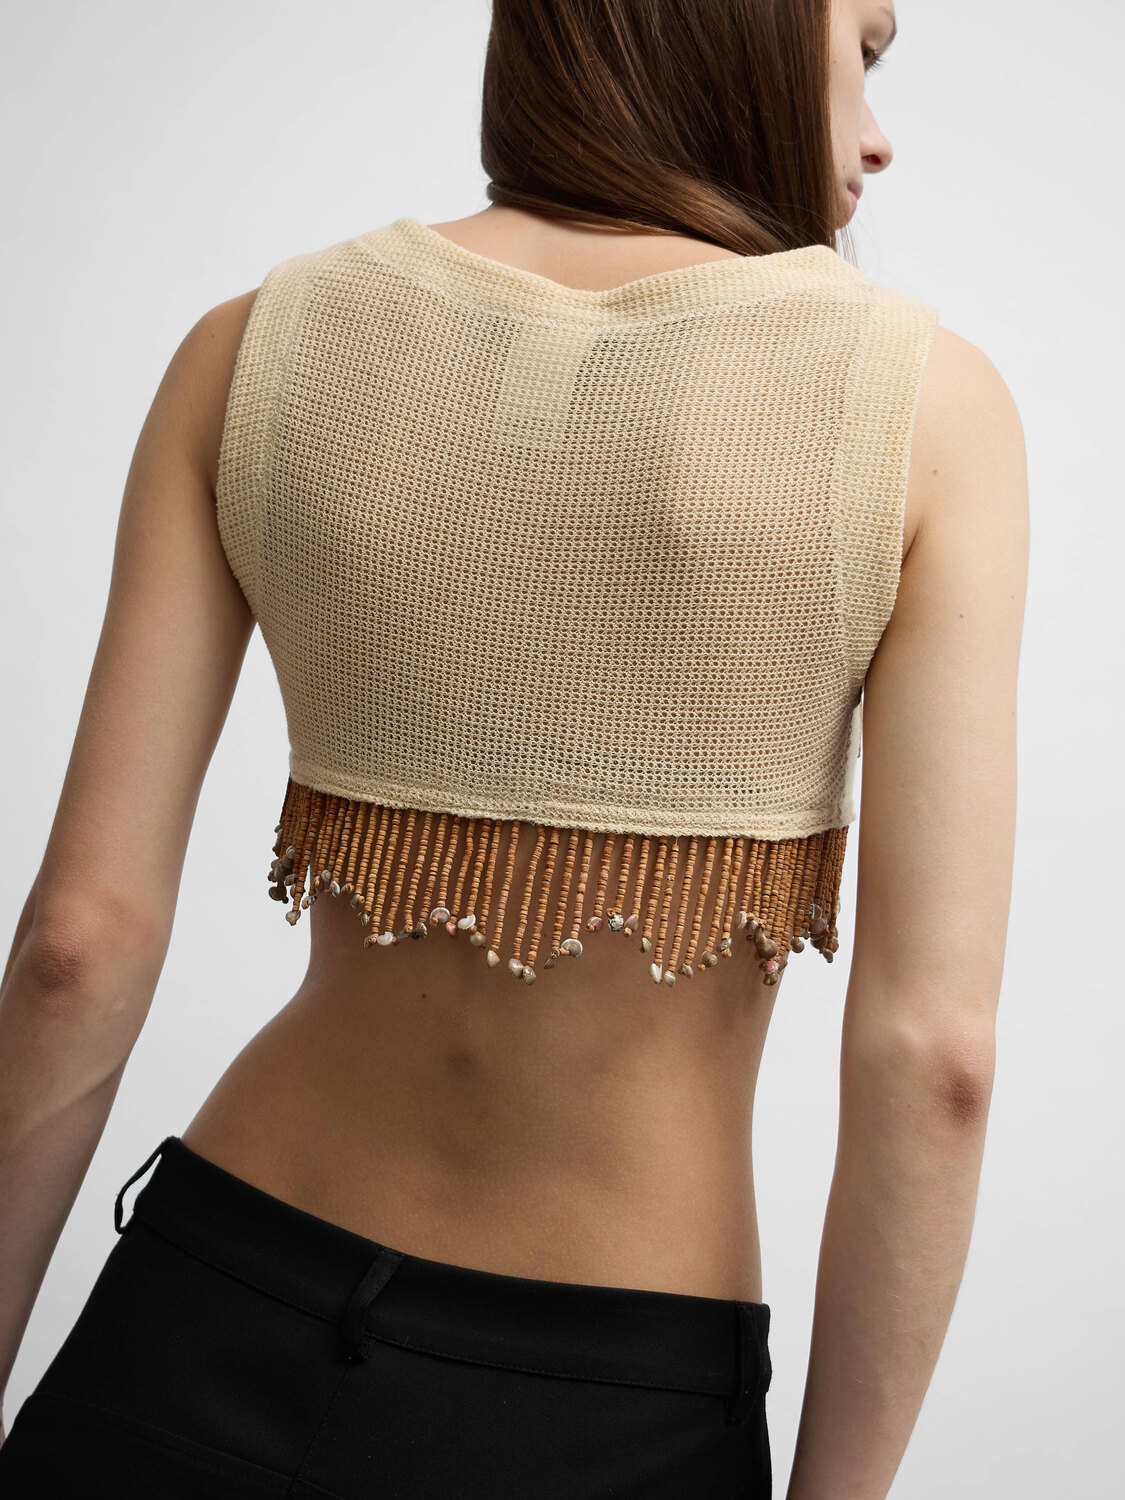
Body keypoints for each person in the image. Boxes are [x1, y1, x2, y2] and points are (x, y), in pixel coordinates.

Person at [0, 0, 1027, 1495]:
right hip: (609, 1395)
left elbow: (75, 947)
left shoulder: (254, 344)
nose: (879, 138)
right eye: (862, 51)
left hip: (206, 1309)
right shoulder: (923, 409)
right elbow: (934, 1060)